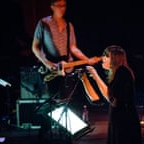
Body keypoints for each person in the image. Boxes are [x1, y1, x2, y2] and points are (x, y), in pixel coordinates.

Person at [31, 0, 100, 143]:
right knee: (52, 102)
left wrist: (87, 59)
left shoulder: (69, 25)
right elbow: (35, 47)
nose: (63, 9)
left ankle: (67, 132)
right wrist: (47, 63)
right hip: (51, 67)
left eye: (64, 5)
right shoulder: (43, 23)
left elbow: (73, 48)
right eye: (59, 5)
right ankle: (45, 131)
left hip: (67, 67)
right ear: (52, 7)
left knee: (67, 101)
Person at [85, 45, 142, 144]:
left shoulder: (122, 73)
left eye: (106, 56)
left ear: (114, 59)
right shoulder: (119, 73)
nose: (103, 59)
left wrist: (96, 76)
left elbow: (111, 98)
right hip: (121, 119)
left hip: (124, 122)